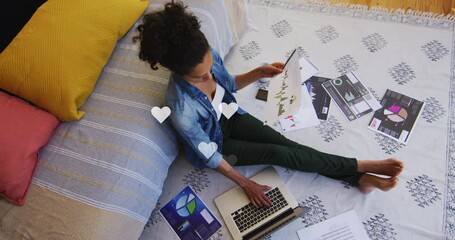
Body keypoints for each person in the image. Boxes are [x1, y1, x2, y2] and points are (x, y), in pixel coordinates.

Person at [134, 1, 404, 208]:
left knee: (286, 144)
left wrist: (258, 73)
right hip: (218, 145)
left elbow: (228, 83)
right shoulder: (181, 109)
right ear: (178, 71)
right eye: (200, 76)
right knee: (280, 154)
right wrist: (246, 183)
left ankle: (359, 179)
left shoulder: (205, 54)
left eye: (208, 68)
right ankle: (360, 167)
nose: (208, 76)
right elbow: (208, 153)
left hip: (231, 115)